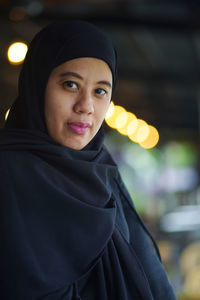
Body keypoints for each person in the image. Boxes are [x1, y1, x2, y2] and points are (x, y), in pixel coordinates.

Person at [0, 20, 177, 300]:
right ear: (38, 86)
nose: (86, 106)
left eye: (100, 91)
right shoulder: (8, 174)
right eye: (70, 85)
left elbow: (152, 277)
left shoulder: (104, 173)